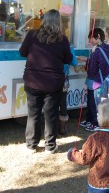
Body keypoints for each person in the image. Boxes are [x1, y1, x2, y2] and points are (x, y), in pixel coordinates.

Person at [19, 9, 72, 154]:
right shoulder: (62, 39)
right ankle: (50, 146)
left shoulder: (32, 35)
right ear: (58, 22)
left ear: (44, 20)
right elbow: (68, 59)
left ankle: (31, 145)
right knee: (51, 114)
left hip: (33, 81)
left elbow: (22, 52)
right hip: (53, 83)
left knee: (33, 113)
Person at [67, 98, 109, 193]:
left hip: (98, 183)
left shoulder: (96, 138)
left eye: (99, 113)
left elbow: (84, 158)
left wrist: (72, 154)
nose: (96, 115)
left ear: (107, 119)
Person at [78, 28, 105, 130]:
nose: (90, 41)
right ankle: (89, 120)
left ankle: (95, 122)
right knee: (89, 100)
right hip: (91, 79)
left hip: (97, 80)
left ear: (98, 37)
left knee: (94, 102)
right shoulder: (95, 48)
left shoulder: (101, 49)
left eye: (91, 38)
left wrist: (88, 59)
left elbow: (97, 64)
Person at [58, 44, 78, 136]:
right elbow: (74, 62)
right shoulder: (69, 47)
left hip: (50, 78)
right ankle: (62, 129)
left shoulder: (49, 43)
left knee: (51, 102)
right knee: (62, 103)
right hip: (63, 78)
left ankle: (51, 127)